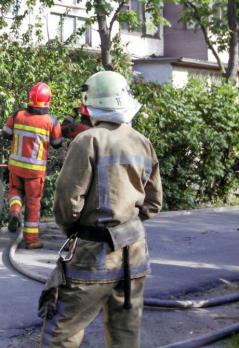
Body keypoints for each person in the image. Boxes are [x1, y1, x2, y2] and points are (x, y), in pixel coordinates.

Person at [40, 71, 162, 347]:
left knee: (60, 332)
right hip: (135, 255)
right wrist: (126, 223)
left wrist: (74, 229)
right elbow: (153, 203)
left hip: (94, 255)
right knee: (125, 335)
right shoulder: (142, 142)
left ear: (89, 104)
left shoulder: (88, 141)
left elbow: (67, 202)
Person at [2, 82, 63, 248]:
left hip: (15, 166)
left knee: (15, 192)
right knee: (33, 203)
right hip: (35, 172)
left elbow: (5, 134)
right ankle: (30, 240)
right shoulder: (51, 121)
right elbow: (58, 143)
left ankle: (14, 211)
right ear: (48, 100)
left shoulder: (17, 115)